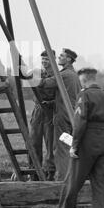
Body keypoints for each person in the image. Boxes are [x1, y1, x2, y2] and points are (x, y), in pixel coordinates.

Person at [58, 68, 104, 208]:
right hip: (103, 142)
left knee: (72, 182)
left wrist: (74, 145)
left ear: (83, 80)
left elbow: (80, 121)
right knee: (101, 185)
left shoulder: (84, 95)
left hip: (85, 143)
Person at [36, 48, 81, 181]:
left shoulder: (64, 74)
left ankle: (62, 179)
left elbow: (45, 83)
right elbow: (68, 95)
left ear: (68, 59)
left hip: (62, 116)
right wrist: (51, 102)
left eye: (61, 56)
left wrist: (30, 76)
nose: (59, 58)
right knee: (69, 145)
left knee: (61, 148)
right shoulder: (73, 75)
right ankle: (72, 176)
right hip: (72, 115)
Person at [29, 50, 55, 180]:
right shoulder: (37, 72)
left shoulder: (57, 76)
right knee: (34, 141)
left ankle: (51, 172)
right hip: (38, 110)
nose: (45, 62)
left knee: (51, 143)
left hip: (50, 111)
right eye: (43, 59)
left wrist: (51, 102)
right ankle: (35, 172)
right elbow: (27, 76)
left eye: (47, 59)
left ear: (53, 60)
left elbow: (63, 96)